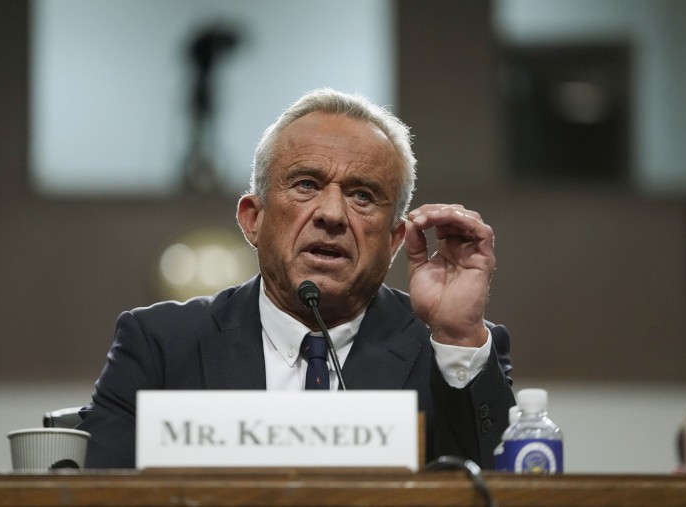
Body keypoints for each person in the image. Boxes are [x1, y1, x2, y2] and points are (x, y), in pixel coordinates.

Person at [77, 88, 515, 469]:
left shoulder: (447, 349)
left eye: (363, 195)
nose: (331, 214)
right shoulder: (160, 345)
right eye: (306, 184)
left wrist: (458, 337)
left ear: (395, 239)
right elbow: (96, 496)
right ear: (253, 219)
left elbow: (505, 494)